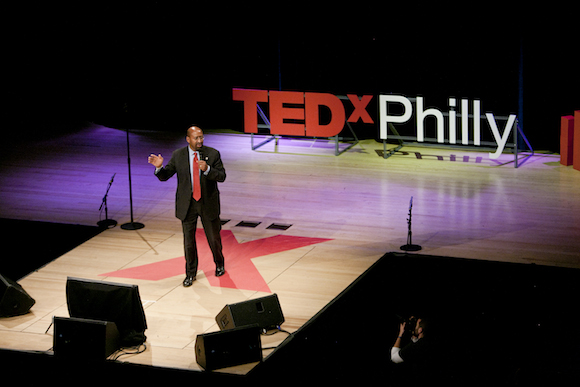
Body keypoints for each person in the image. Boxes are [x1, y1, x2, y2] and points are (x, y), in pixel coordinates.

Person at [148, 126, 226, 287]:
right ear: (188, 139)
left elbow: (222, 176)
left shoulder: (212, 154)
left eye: (201, 138)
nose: (200, 141)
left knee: (213, 238)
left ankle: (219, 263)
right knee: (188, 242)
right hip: (187, 204)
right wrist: (159, 167)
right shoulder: (178, 155)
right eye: (196, 138)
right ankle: (190, 273)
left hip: (207, 203)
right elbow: (165, 176)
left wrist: (208, 169)